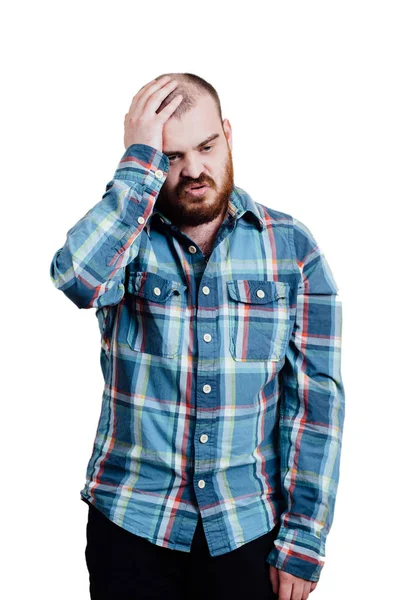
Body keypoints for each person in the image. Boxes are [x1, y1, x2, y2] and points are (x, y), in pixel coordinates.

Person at [49, 72, 345, 600]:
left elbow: (315, 406)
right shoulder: (127, 238)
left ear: (228, 133)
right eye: (170, 156)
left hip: (248, 533)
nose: (193, 170)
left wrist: (304, 540)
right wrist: (137, 163)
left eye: (206, 146)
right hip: (131, 525)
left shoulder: (293, 249)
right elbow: (78, 279)